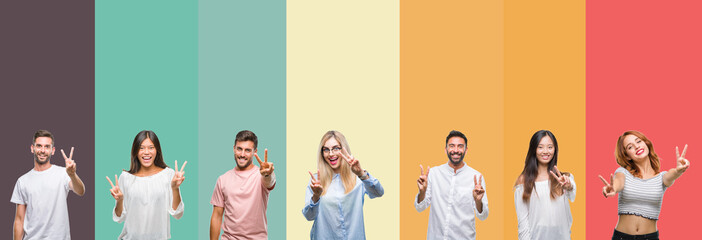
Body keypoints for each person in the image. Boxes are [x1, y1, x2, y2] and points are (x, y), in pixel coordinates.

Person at [598, 130, 690, 240]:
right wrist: (614, 188)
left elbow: (671, 174)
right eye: (630, 147)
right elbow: (618, 182)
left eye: (638, 141)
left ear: (646, 144)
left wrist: (679, 170)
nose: (636, 146)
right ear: (627, 156)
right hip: (622, 237)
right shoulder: (623, 172)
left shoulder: (661, 178)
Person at [302, 130, 384, 240]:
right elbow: (309, 216)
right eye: (326, 149)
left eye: (336, 148)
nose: (331, 154)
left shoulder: (358, 177)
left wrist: (362, 174)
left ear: (343, 149)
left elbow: (379, 192)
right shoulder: (316, 181)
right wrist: (316, 196)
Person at [106, 130, 187, 240]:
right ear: (135, 151)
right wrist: (120, 201)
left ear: (157, 150)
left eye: (151, 147)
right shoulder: (126, 178)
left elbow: (177, 214)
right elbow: (119, 218)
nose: (146, 152)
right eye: (141, 148)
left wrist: (175, 188)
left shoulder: (168, 175)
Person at [11, 130, 86, 240]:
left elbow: (81, 191)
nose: (42, 150)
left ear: (52, 150)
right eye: (39, 146)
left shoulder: (63, 173)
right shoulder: (22, 181)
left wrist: (73, 175)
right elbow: (19, 219)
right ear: (32, 148)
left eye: (47, 147)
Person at [415, 130, 488, 240]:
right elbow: (420, 208)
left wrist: (478, 201)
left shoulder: (476, 177)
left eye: (460, 146)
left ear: (466, 150)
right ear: (446, 149)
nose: (456, 150)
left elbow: (483, 216)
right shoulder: (434, 174)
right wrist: (422, 192)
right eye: (452, 146)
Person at [210, 130, 276, 240]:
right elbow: (216, 216)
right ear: (234, 149)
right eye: (239, 149)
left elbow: (269, 182)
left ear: (255, 152)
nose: (242, 154)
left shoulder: (261, 175)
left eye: (247, 150)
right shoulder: (223, 179)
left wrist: (268, 174)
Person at [514, 130, 575, 240]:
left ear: (555, 149)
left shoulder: (564, 178)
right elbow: (523, 223)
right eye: (540, 147)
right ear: (534, 150)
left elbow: (572, 194)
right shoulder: (523, 181)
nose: (545, 151)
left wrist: (568, 186)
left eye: (550, 147)